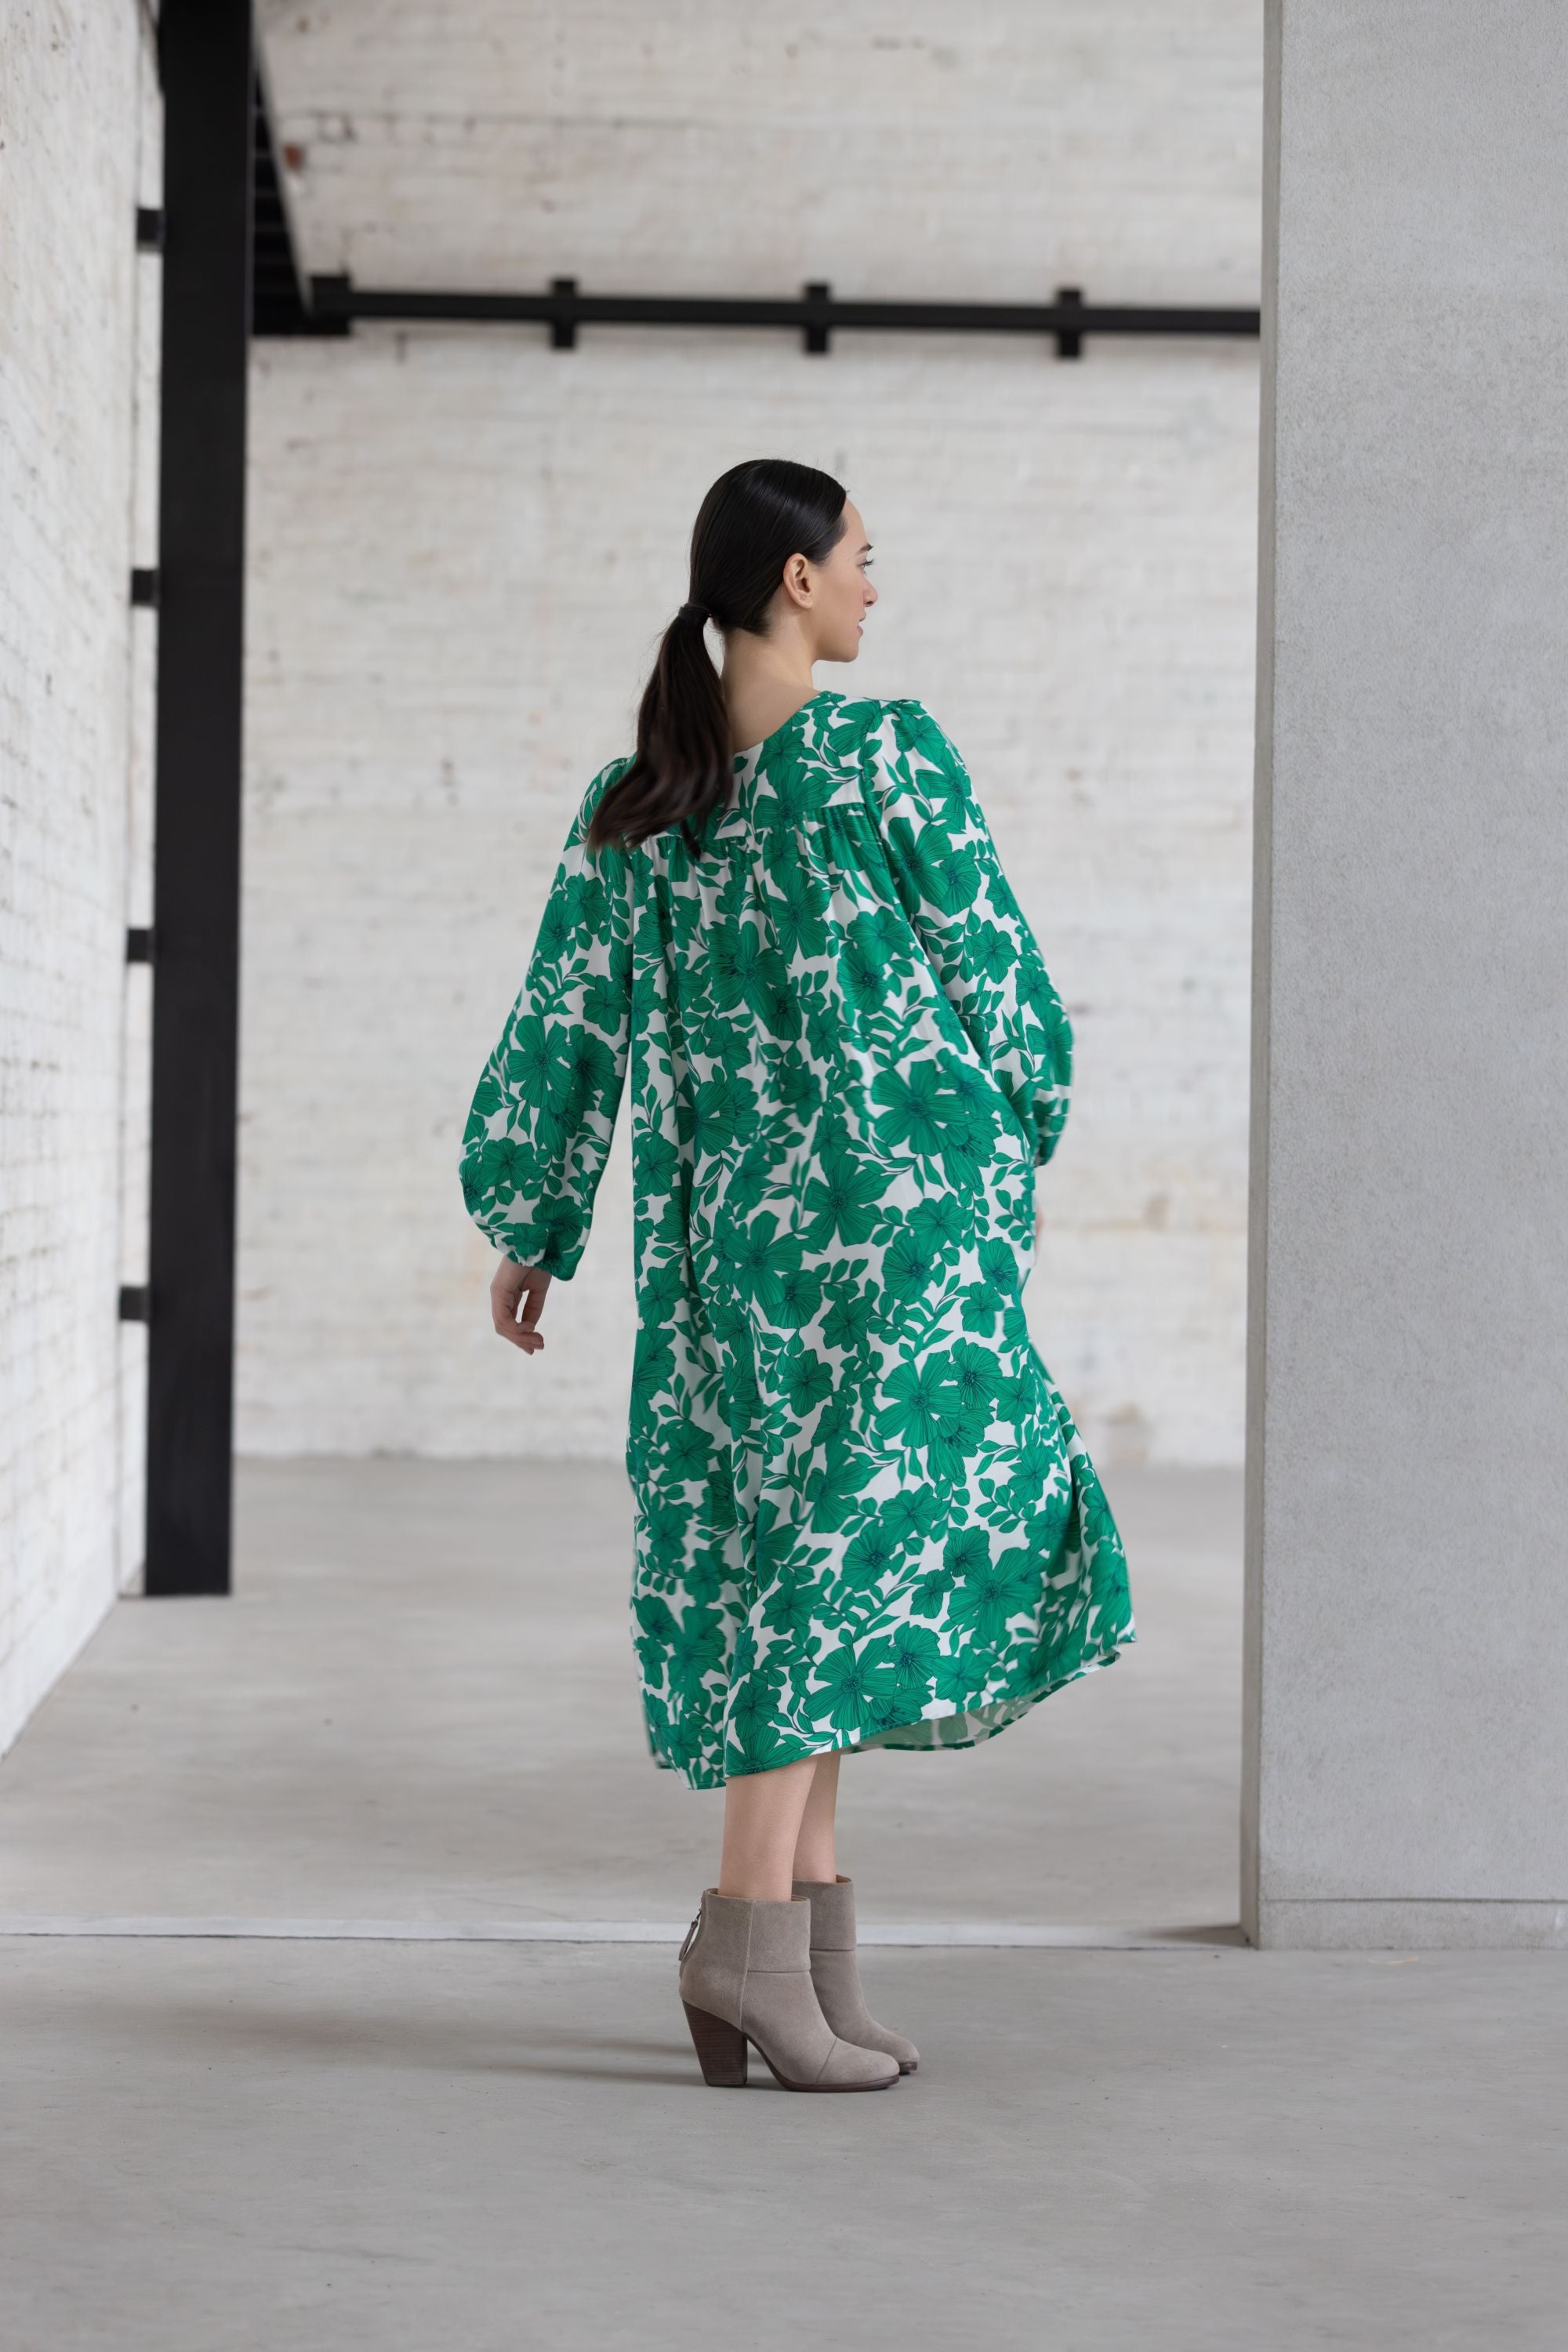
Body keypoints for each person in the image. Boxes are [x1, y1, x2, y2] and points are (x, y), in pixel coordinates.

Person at [459, 457, 1134, 2092]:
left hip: (728, 1266)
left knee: (793, 1559)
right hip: (901, 1240)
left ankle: (812, 1961)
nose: (873, 589)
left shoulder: (636, 807)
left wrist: (532, 1220)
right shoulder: (887, 760)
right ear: (790, 583)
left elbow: (567, 1031)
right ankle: (743, 1939)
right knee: (821, 1576)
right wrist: (1014, 1128)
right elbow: (1004, 979)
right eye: (860, 560)